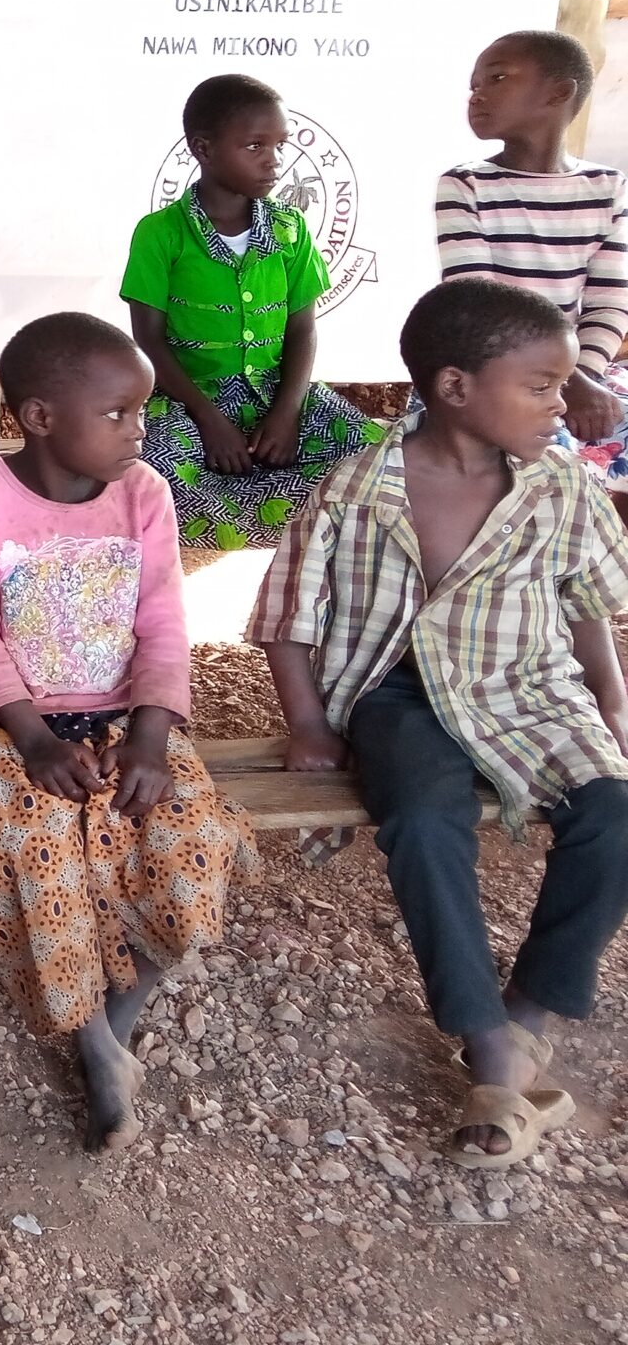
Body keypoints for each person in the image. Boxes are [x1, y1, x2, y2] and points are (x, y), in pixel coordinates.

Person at [254, 277, 628, 1170]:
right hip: (396, 694)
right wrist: (308, 725)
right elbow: (286, 616)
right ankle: (488, 1048)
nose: (562, 405)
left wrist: (612, 703)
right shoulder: (358, 489)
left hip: (527, 690)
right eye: (541, 386)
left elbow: (587, 606)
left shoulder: (561, 488)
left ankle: (525, 1016)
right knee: (423, 823)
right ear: (455, 387)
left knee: (616, 814)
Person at [0, 312, 257, 1153]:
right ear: (39, 417)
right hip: (9, 723)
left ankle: (113, 1025)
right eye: (117, 413)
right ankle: (94, 1047)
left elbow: (164, 623)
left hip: (125, 718)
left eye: (141, 412)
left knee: (186, 837)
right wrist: (35, 739)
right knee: (39, 845)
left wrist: (150, 736)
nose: (137, 431)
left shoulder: (144, 493)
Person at [124, 73, 384, 549]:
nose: (274, 160)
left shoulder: (290, 228)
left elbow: (302, 329)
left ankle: (271, 517)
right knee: (150, 474)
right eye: (255, 146)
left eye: (280, 145)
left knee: (375, 460)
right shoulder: (160, 234)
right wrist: (209, 420)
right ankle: (294, 519)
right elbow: (149, 340)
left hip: (277, 393)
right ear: (203, 149)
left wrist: (286, 414)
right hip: (189, 400)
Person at [436, 29, 628, 499]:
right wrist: (562, 384)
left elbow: (609, 303)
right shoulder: (465, 185)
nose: (477, 94)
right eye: (474, 85)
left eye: (497, 78)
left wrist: (582, 377)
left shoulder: (608, 187)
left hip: (579, 370)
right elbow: (478, 303)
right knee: (550, 466)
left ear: (559, 93)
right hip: (487, 367)